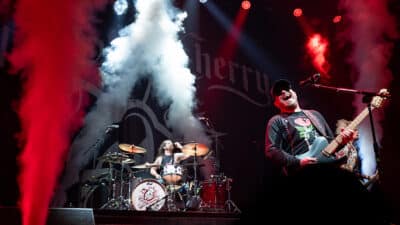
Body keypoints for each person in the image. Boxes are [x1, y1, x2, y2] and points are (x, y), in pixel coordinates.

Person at [264, 79, 355, 175]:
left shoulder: (315, 115)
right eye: (278, 92)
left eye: (287, 89)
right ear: (276, 103)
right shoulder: (276, 120)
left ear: (295, 93)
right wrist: (298, 162)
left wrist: (343, 141)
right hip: (302, 174)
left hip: (327, 169)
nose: (283, 92)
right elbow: (271, 150)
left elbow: (330, 143)